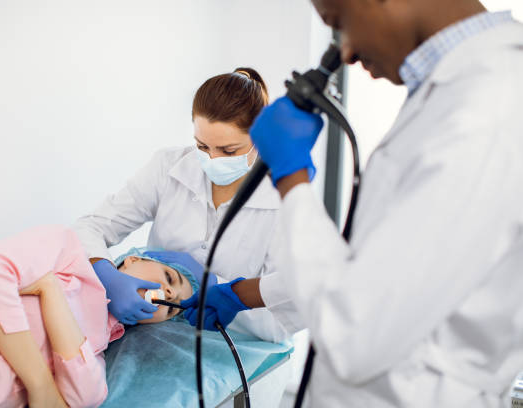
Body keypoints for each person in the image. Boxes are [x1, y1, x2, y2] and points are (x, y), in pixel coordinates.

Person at [184, 0, 523, 406]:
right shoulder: (457, 93)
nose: (345, 52)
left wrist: (291, 179)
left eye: (339, 22)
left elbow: (357, 332)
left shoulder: (487, 110)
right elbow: (382, 272)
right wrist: (241, 292)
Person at [74, 67, 291, 342]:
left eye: (228, 151)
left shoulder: (284, 202)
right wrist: (105, 272)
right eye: (202, 146)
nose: (212, 159)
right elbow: (90, 227)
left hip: (239, 351)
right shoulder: (169, 167)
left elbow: (284, 319)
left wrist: (222, 290)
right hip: (157, 339)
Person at [0, 225, 201, 408]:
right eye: (169, 278)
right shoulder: (68, 252)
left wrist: (51, 294)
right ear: (134, 259)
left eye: (172, 306)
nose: (166, 294)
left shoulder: (100, 345)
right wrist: (41, 384)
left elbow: (84, 398)